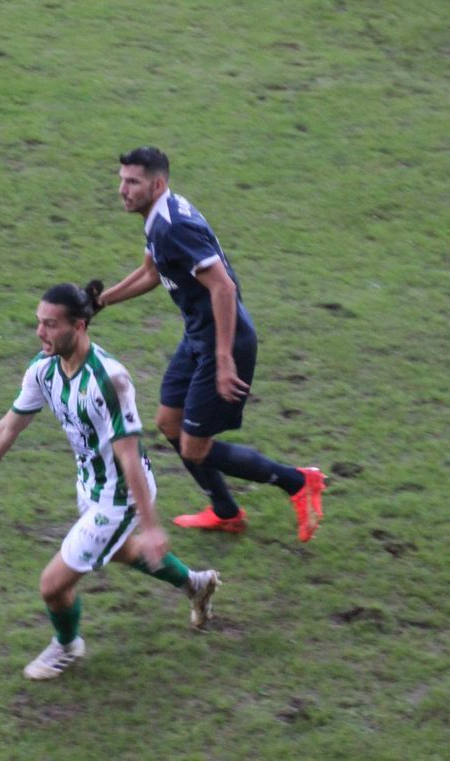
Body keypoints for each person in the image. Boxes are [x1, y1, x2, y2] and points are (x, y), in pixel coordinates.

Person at [0, 281, 221, 681]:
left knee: (52, 585)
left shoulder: (110, 380)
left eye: (50, 325)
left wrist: (153, 527)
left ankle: (67, 647)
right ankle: (196, 584)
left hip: (121, 494)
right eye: (39, 323)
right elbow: (7, 428)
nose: (40, 333)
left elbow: (129, 457)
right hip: (90, 484)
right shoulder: (44, 370)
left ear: (80, 326)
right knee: (121, 551)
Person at [94, 146, 325, 540]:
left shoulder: (173, 226)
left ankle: (298, 482)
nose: (122, 190)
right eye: (121, 180)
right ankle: (226, 511)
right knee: (169, 423)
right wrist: (101, 300)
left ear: (157, 184)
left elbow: (223, 285)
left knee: (195, 448)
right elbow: (153, 272)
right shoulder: (159, 217)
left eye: (132, 182)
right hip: (199, 335)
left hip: (225, 340)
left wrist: (223, 359)